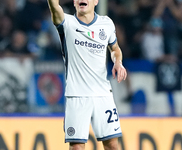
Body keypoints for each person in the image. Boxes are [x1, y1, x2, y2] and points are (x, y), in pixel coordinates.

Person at [47, 0, 127, 150]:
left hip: (103, 95)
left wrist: (118, 62)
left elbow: (115, 49)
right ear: (75, 2)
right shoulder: (67, 23)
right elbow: (54, 6)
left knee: (112, 146)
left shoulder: (106, 24)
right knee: (77, 147)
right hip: (77, 96)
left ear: (96, 1)